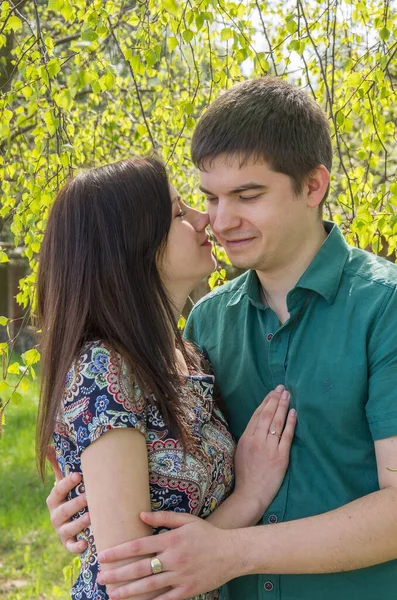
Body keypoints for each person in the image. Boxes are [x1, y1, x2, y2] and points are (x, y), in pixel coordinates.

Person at [47, 77, 397, 600]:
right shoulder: (204, 326)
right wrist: (91, 506)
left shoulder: (383, 307)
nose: (219, 220)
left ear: (312, 186)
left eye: (247, 195)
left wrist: (233, 549)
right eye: (209, 197)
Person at [37, 155, 297, 600]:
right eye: (179, 213)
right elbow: (134, 579)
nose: (206, 219)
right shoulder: (104, 370)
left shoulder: (189, 357)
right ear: (132, 247)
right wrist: (248, 497)